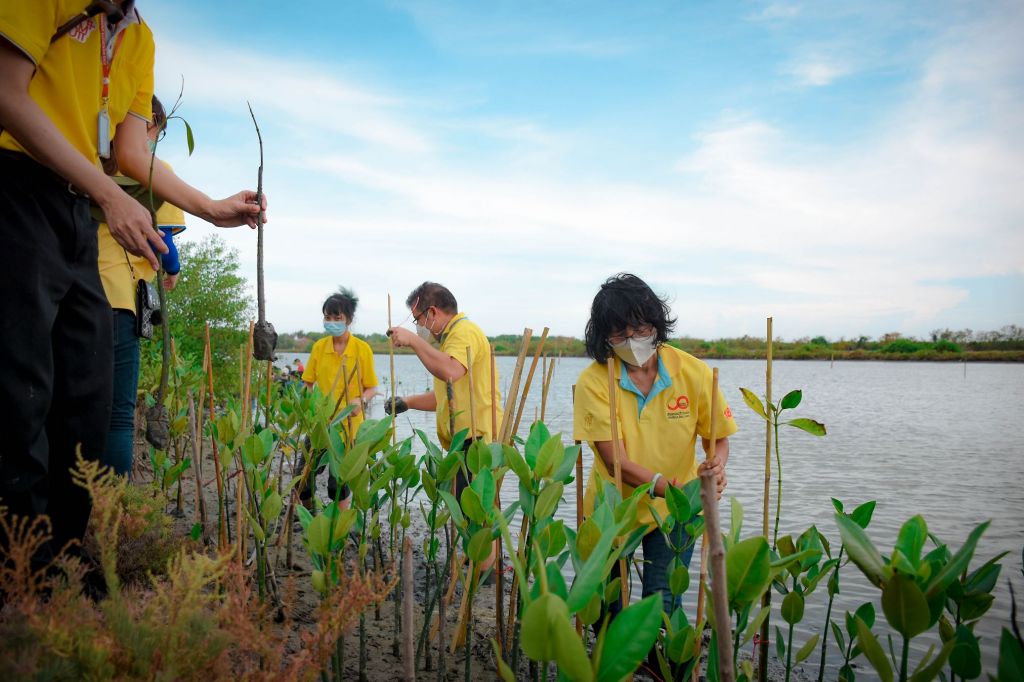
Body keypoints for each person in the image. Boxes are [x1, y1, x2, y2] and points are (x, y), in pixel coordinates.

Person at [0, 2, 264, 561]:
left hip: (76, 209)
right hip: (16, 191)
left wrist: (211, 208)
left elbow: (131, 151)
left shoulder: (139, 37)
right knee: (20, 392)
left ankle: (64, 566)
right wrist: (107, 194)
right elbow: (7, 94)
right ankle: (20, 575)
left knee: (87, 396)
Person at [572, 273, 737, 617]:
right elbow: (614, 458)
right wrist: (674, 491)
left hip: (673, 514)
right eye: (620, 334)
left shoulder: (693, 372)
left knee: (662, 607)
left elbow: (717, 437)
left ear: (657, 325)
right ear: (604, 337)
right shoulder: (594, 382)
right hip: (613, 507)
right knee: (607, 609)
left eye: (641, 329)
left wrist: (716, 466)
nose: (632, 341)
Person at [97, 95, 187, 477]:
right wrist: (173, 270)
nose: (154, 140)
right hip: (118, 296)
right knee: (118, 414)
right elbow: (163, 236)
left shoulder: (83, 158)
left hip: (66, 289)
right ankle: (109, 507)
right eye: (157, 132)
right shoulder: (153, 168)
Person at [386, 282, 502, 573]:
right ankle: (477, 566)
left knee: (479, 512)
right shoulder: (450, 340)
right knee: (467, 508)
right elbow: (445, 396)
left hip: (478, 439)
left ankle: (485, 574)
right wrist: (408, 402)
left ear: (432, 312)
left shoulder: (463, 332)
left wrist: (414, 340)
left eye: (417, 319)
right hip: (462, 439)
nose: (418, 326)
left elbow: (450, 370)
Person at [299, 288, 378, 507]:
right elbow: (307, 383)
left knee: (338, 484)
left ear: (349, 320)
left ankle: (339, 531)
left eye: (337, 318)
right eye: (328, 317)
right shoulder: (319, 347)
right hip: (321, 425)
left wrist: (361, 401)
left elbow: (371, 388)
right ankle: (310, 519)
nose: (332, 322)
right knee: (303, 479)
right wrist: (302, 407)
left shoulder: (362, 350)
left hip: (349, 427)